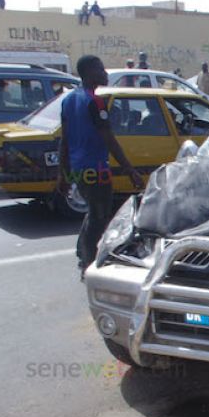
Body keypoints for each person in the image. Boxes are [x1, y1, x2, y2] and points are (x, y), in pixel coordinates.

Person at [58, 55, 143, 278]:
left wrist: (63, 173)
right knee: (100, 216)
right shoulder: (94, 101)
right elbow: (108, 138)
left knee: (94, 212)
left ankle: (82, 251)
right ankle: (88, 262)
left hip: (78, 169)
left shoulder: (68, 100)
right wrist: (130, 169)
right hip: (96, 169)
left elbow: (64, 140)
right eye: (101, 69)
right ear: (89, 72)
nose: (105, 74)